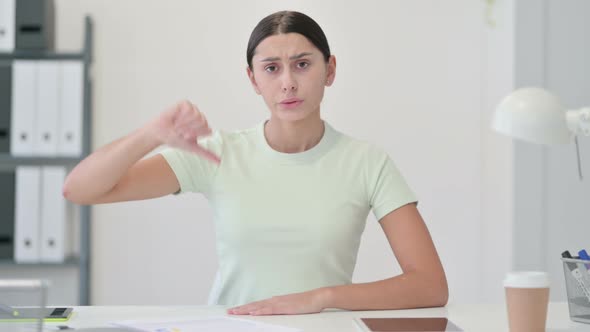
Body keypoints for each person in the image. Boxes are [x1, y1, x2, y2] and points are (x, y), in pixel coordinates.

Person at [63, 10, 448, 315]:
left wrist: (322, 297)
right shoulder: (219, 152)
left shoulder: (368, 162)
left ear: (329, 70)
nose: (287, 83)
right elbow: (80, 189)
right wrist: (150, 134)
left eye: (302, 64)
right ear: (253, 79)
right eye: (271, 68)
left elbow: (430, 285)